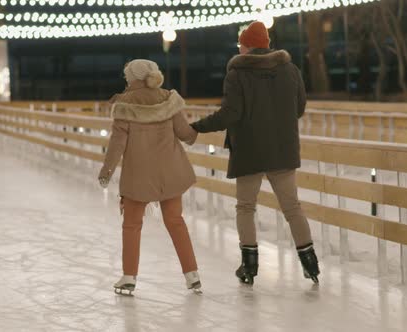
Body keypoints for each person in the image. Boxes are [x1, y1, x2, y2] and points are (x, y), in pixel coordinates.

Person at [190, 21, 320, 285]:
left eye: (241, 43)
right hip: (282, 149)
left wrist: (196, 128)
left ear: (247, 46)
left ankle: (249, 267)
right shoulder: (290, 70)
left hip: (249, 150)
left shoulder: (237, 74)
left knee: (246, 207)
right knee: (292, 207)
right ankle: (311, 266)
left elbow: (230, 114)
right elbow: (299, 107)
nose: (240, 47)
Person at [98, 59, 202, 295]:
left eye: (127, 75)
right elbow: (185, 133)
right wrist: (204, 128)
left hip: (139, 175)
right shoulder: (168, 98)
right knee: (176, 222)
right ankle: (192, 274)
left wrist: (107, 171)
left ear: (134, 77)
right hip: (170, 172)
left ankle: (129, 277)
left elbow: (117, 143)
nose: (125, 79)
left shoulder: (125, 103)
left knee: (132, 225)